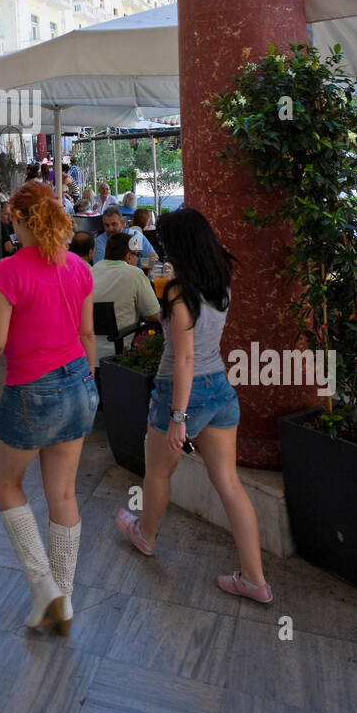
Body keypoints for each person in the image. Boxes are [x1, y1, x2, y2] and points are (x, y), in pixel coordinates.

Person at [0, 181, 98, 635]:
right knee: (64, 495)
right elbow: (88, 336)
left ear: (18, 220)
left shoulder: (7, 270)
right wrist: (87, 382)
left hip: (32, 390)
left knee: (6, 482)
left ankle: (42, 585)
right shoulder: (79, 266)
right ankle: (65, 596)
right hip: (79, 384)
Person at [115, 208, 274, 604]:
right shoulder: (221, 283)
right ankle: (255, 580)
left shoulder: (179, 292)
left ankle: (146, 535)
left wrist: (178, 418)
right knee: (230, 485)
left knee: (157, 472)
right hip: (220, 388)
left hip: (180, 390)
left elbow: (184, 358)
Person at [92, 232, 161, 339]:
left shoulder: (91, 271)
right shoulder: (134, 273)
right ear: (129, 256)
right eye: (137, 254)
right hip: (123, 349)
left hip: (89, 348)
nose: (137, 258)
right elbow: (154, 315)